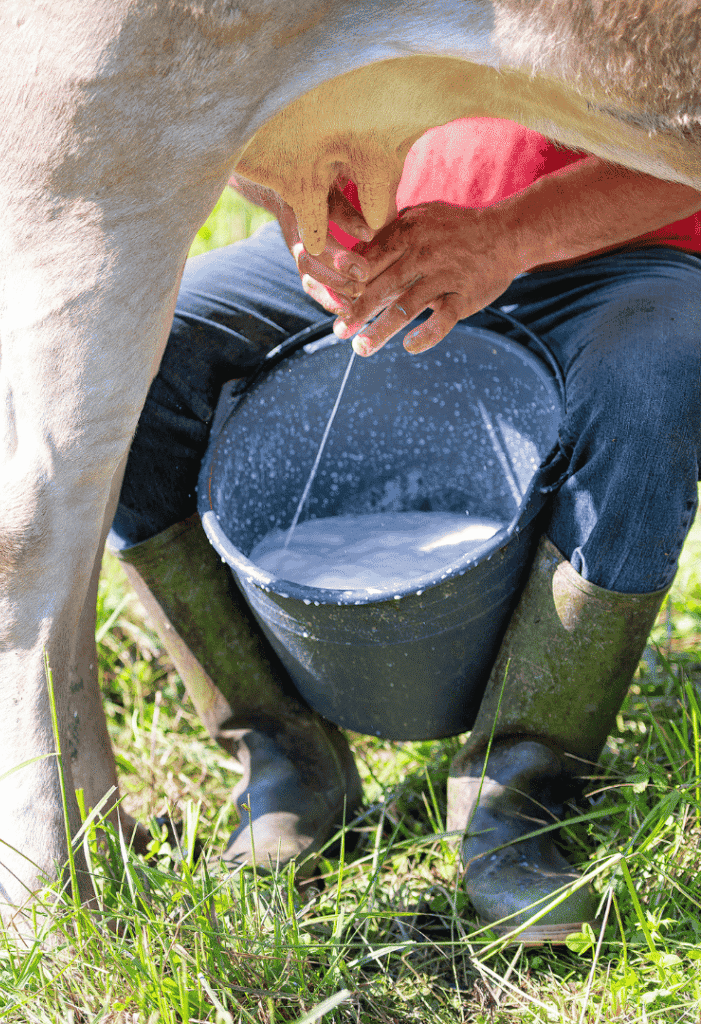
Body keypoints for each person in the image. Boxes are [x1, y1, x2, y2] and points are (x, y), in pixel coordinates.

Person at [107, 118, 701, 942]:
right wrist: (300, 215)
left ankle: (519, 795)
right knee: (130, 359)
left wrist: (508, 234)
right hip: (389, 242)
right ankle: (288, 756)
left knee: (653, 383)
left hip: (628, 250)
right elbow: (227, 98)